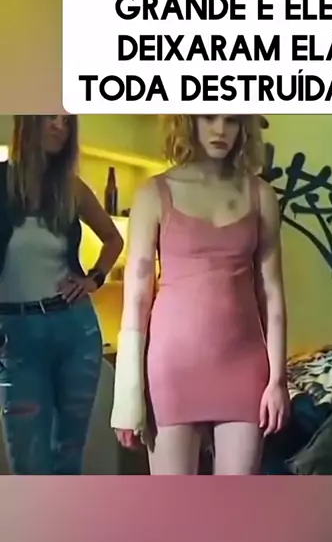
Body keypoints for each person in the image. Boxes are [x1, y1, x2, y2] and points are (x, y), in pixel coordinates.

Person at [111, 114, 290, 475]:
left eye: (232, 120)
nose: (221, 130)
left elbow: (271, 293)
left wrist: (278, 380)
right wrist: (127, 395)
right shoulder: (153, 194)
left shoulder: (260, 195)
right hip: (172, 368)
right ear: (188, 122)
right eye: (209, 118)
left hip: (243, 367)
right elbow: (137, 297)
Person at [0, 115, 124, 474]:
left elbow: (113, 239)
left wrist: (94, 278)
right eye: (50, 118)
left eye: (66, 122)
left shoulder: (69, 187)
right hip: (16, 337)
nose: (59, 127)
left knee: (69, 453)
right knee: (28, 461)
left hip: (74, 328)